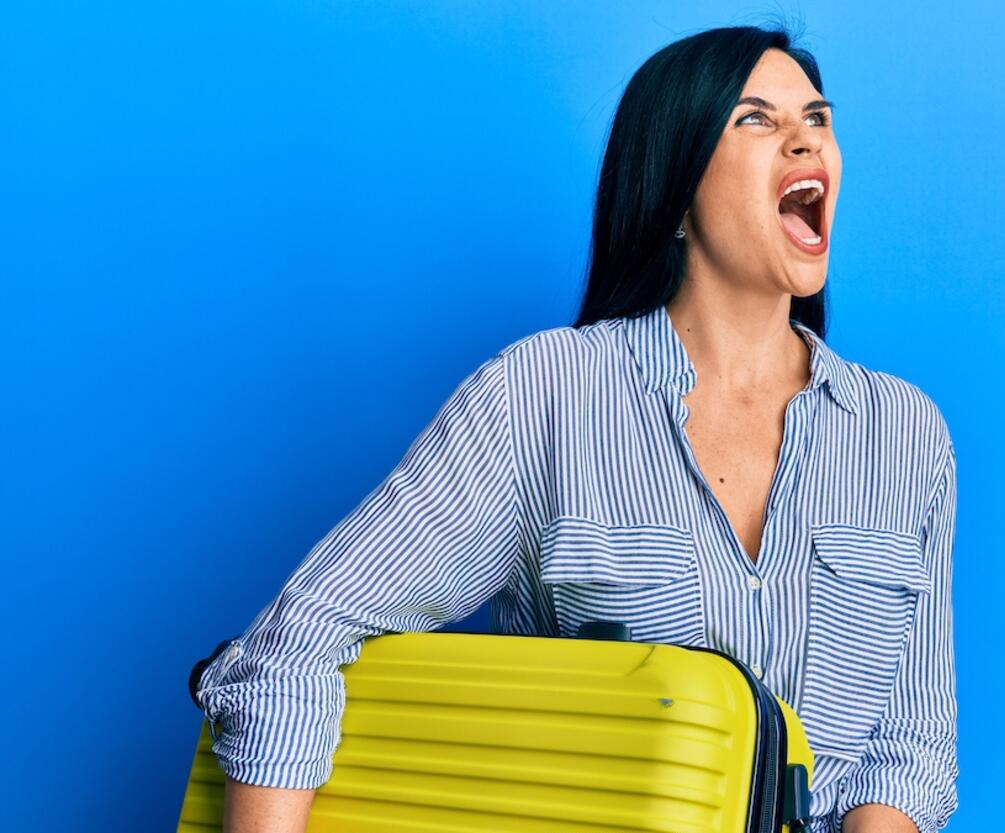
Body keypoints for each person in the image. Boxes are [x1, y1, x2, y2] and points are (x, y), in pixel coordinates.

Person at [193, 23, 958, 833]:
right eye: (757, 120)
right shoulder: (544, 395)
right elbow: (301, 637)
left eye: (819, 119)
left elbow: (910, 745)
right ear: (676, 189)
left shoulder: (904, 434)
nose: (806, 141)